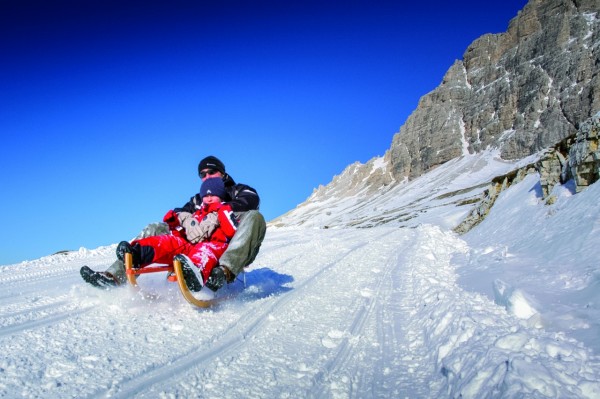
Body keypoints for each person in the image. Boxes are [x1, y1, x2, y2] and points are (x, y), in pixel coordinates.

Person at [80, 155, 267, 292]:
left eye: (212, 172)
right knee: (156, 228)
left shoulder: (240, 190)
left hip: (225, 246)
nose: (207, 176)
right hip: (194, 244)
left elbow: (251, 201)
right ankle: (115, 274)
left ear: (223, 173)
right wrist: (188, 219)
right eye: (203, 174)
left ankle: (223, 271)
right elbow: (179, 212)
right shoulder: (198, 200)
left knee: (255, 217)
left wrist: (219, 211)